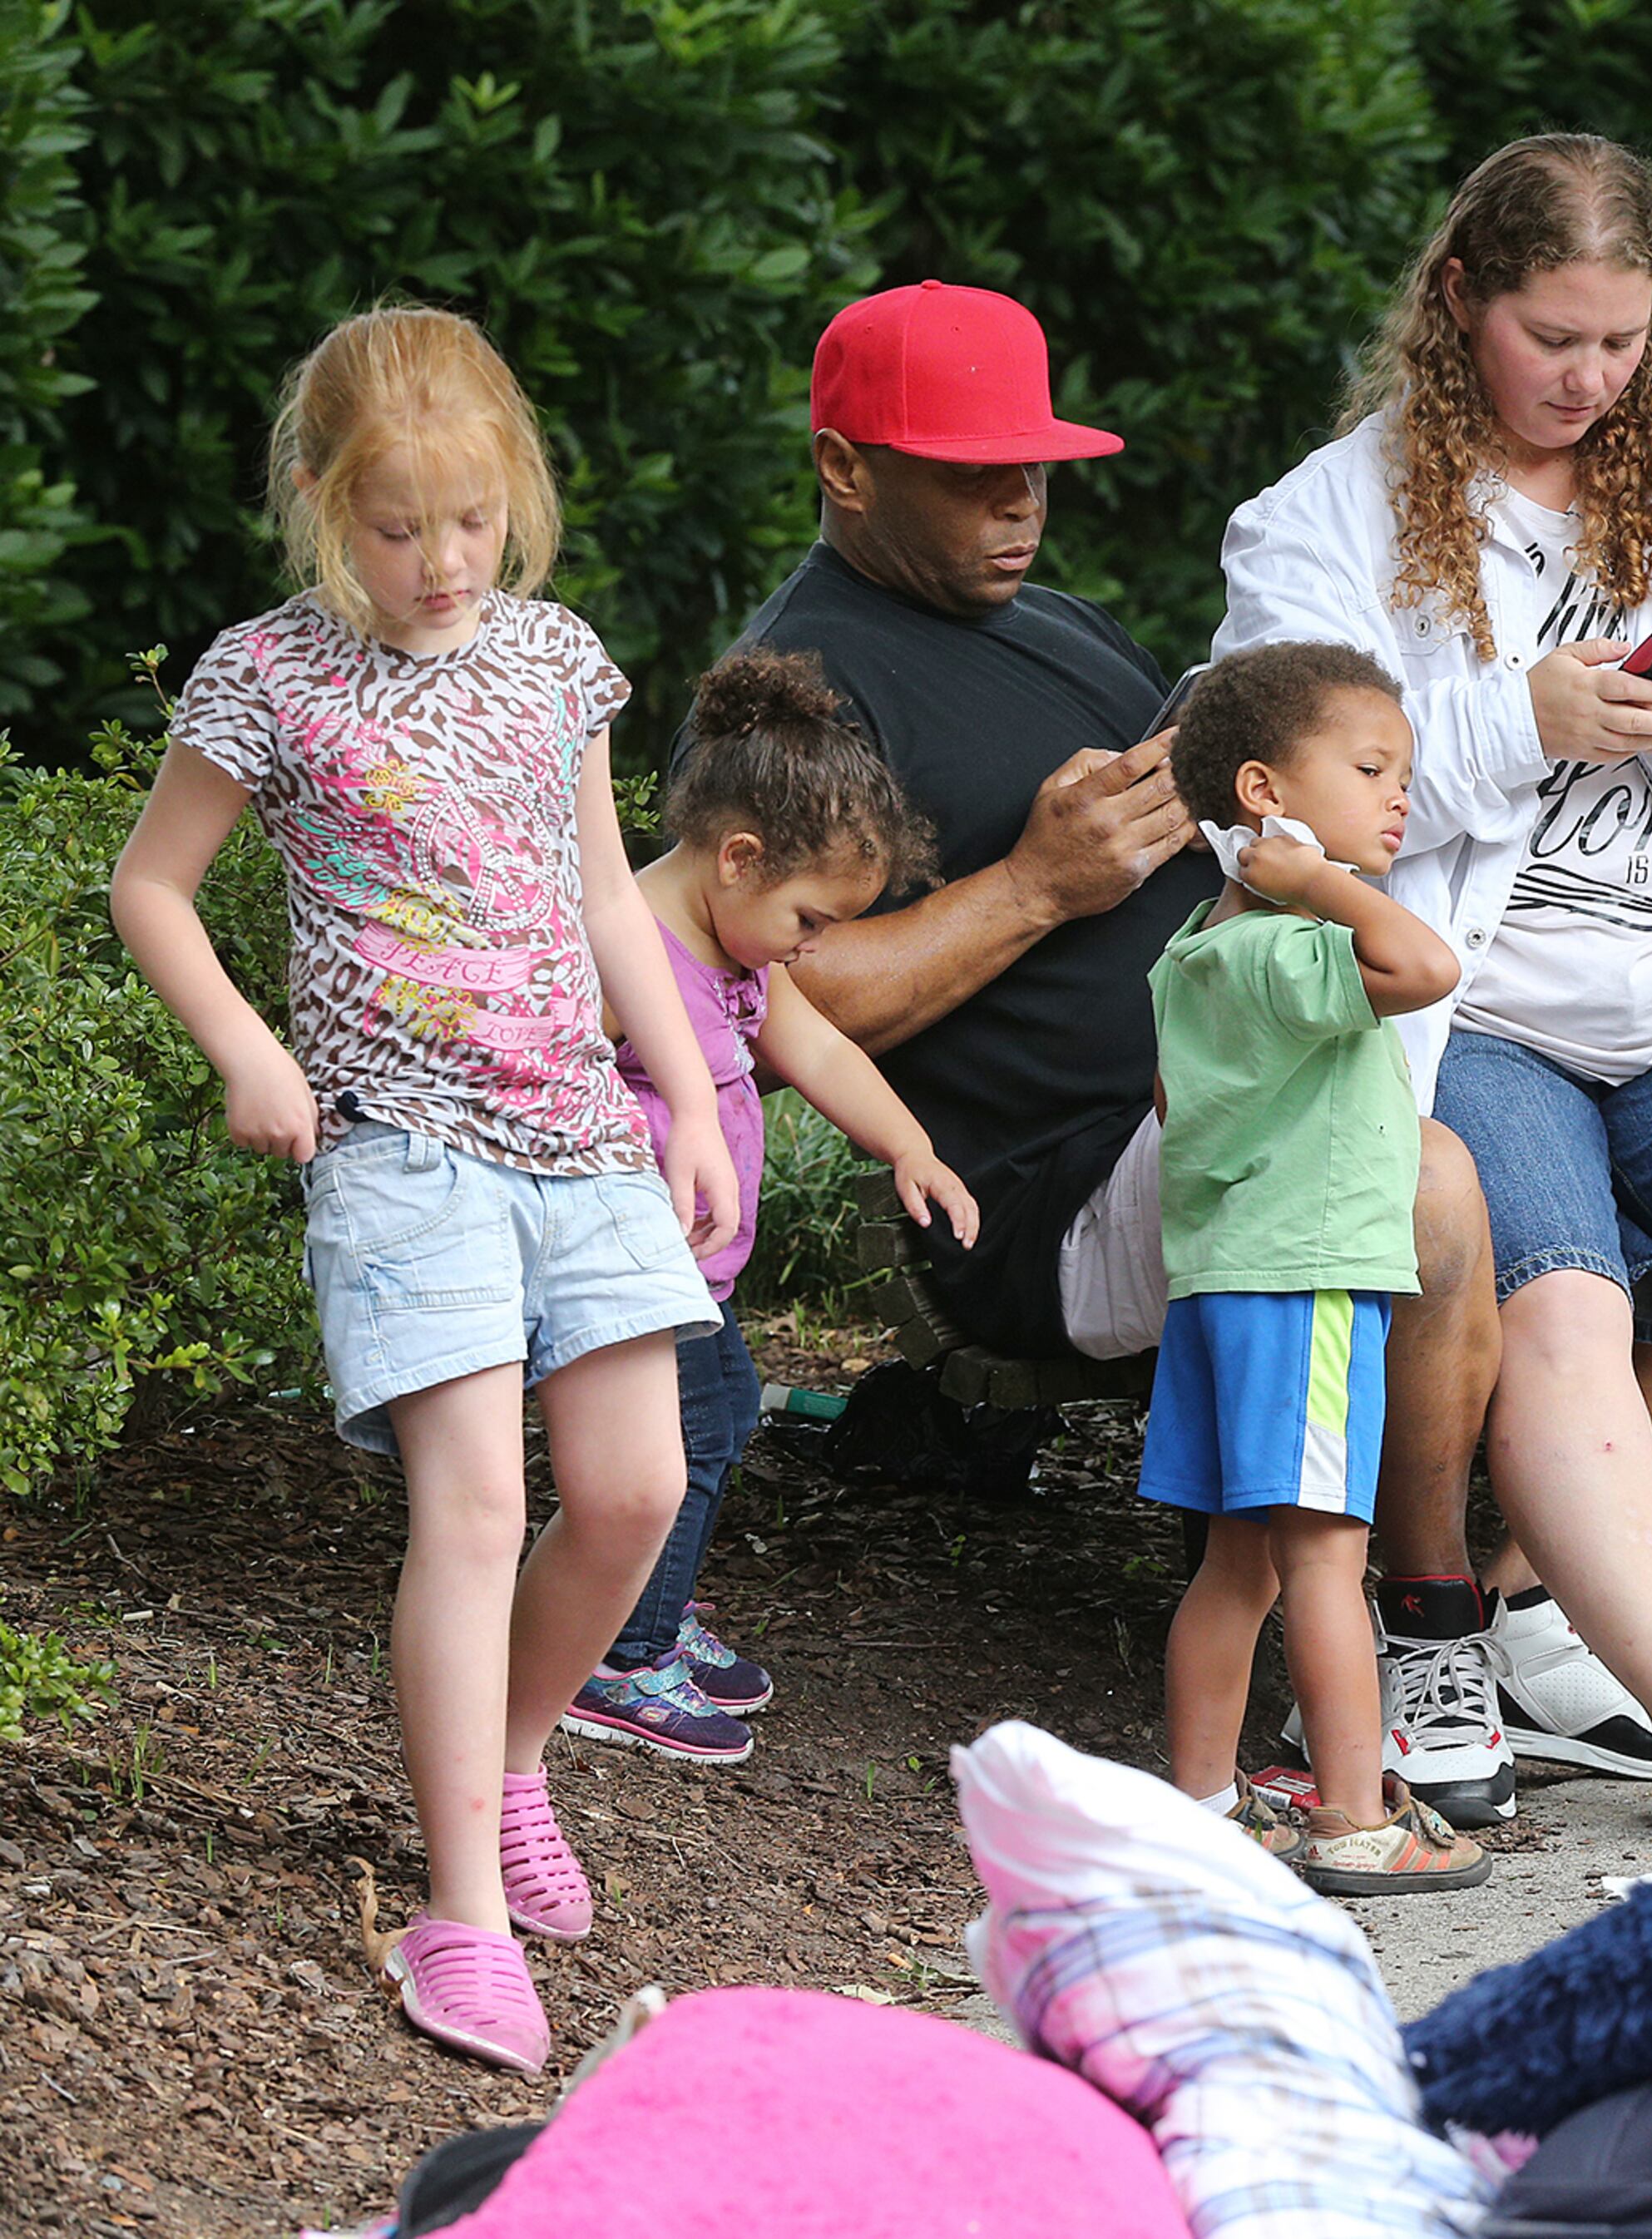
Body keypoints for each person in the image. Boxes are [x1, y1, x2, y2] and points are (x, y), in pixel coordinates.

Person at [721, 279, 1531, 1829]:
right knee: (1419, 1186)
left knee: (1530, 1107)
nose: (1020, 504)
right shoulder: (802, 694)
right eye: (971, 471)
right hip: (1048, 1198)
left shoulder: (1062, 627)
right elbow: (764, 1005)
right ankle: (1421, 1633)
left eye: (1036, 467)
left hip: (1218, 1109)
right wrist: (1035, 885)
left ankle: (1451, 1620)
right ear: (844, 469)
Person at [1217, 133, 1652, 1847]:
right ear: (1460, 301)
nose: (1590, 381)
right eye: (1553, 338)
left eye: (1623, 343)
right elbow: (1267, 797)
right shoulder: (1323, 523)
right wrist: (1529, 718)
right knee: (1570, 1310)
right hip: (1476, 1008)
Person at [109, 305, 739, 2075]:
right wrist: (252, 1049)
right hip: (400, 1142)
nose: (442, 559)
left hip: (581, 1130)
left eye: (471, 519)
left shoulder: (551, 661)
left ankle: (518, 1751)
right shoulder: (266, 675)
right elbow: (150, 885)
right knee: (469, 1511)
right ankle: (460, 1904)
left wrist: (688, 1092)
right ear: (324, 504)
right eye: (399, 525)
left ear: (515, 497)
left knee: (634, 1490)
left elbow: (611, 894)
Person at [564, 648, 979, 1766]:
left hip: (694, 1274)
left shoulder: (733, 943)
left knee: (719, 1416)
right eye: (809, 917)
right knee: (697, 1431)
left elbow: (821, 1049)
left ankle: (637, 1610)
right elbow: (548, 1092)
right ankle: (620, 1654)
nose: (814, 944)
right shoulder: (628, 956)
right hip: (629, 1271)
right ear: (739, 858)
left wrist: (910, 1145)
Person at [1141, 642, 1488, 1894]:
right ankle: (1354, 1816)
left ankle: (1201, 1810)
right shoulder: (1293, 950)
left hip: (1225, 1284)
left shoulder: (1195, 949)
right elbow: (1426, 967)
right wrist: (1331, 886)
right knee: (1333, 1558)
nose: (1401, 796)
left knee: (1238, 1562)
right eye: (1371, 768)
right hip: (1309, 1288)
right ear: (1262, 793)